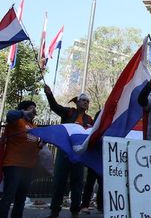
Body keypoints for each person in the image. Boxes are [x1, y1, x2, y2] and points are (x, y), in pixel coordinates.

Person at [44, 85, 93, 218]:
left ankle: (75, 212)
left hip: (79, 156)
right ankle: (54, 212)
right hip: (64, 153)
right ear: (77, 102)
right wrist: (49, 94)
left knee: (77, 184)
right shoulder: (69, 113)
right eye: (83, 100)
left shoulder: (90, 120)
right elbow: (54, 106)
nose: (85, 103)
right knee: (59, 182)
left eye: (87, 101)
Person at [0, 101, 41, 218]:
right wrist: (24, 113)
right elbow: (10, 114)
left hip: (28, 167)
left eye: (34, 109)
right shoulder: (16, 121)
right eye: (31, 108)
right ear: (23, 109)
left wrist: (40, 145)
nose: (33, 111)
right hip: (13, 165)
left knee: (21, 199)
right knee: (8, 197)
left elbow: (33, 146)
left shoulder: (34, 127)